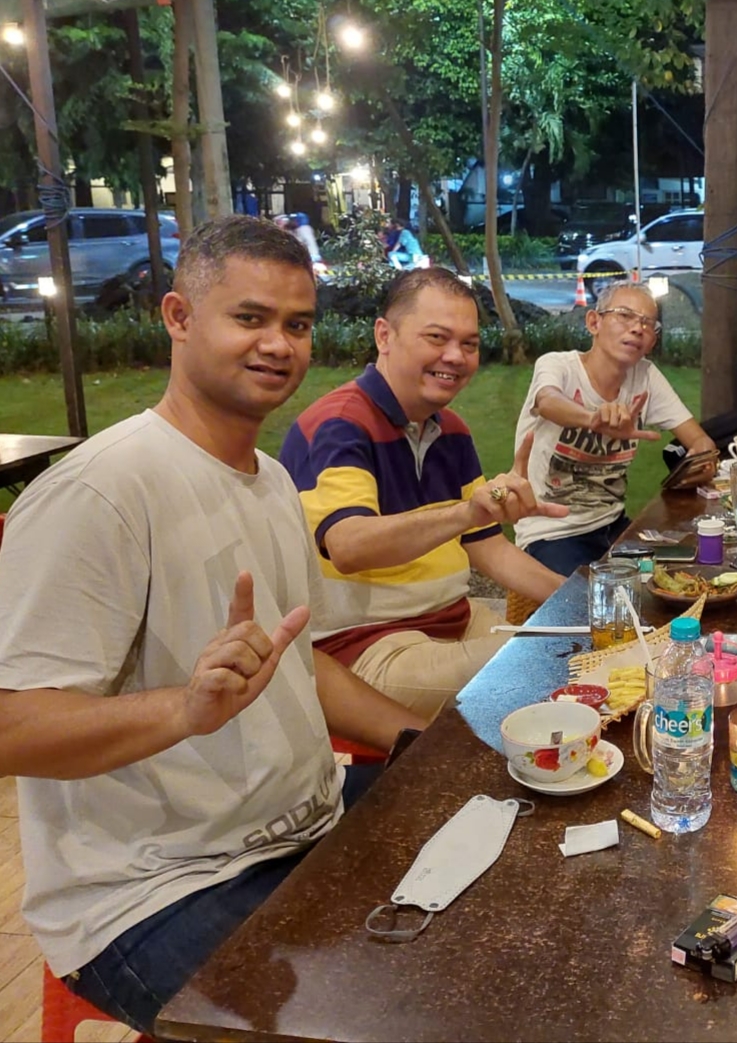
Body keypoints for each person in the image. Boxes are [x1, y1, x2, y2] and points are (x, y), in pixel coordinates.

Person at [0, 215, 435, 1035]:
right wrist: (184, 708)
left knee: (507, 855)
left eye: (297, 324)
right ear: (178, 317)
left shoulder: (270, 480)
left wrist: (424, 742)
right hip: (153, 890)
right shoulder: (100, 493)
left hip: (306, 819)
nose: (278, 344)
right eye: (250, 317)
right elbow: (11, 726)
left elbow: (299, 661)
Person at [281, 268, 565, 718]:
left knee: (581, 643)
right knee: (551, 667)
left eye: (469, 344)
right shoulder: (340, 425)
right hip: (363, 646)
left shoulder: (450, 430)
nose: (455, 356)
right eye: (437, 338)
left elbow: (489, 547)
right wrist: (465, 513)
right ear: (384, 335)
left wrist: (586, 601)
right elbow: (349, 545)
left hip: (455, 617)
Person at [514, 282, 716, 576]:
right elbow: (548, 401)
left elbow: (700, 440)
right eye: (624, 315)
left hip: (614, 525)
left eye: (648, 323)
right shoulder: (559, 366)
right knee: (601, 598)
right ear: (593, 322)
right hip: (552, 533)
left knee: (686, 576)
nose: (637, 328)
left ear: (652, 341)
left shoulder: (645, 376)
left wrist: (702, 462)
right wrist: (592, 419)